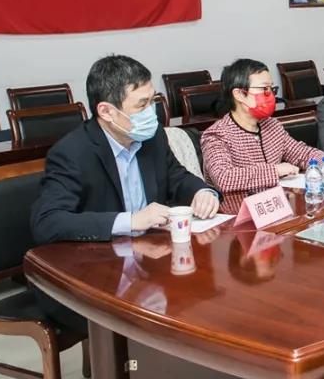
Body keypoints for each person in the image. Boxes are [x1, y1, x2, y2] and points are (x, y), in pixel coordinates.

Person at [31, 54, 221, 331]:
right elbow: (47, 222)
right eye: (142, 105)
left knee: (201, 300)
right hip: (95, 273)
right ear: (107, 111)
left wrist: (203, 191)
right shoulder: (72, 152)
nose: (152, 113)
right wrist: (130, 221)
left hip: (150, 259)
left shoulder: (152, 137)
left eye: (153, 101)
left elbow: (176, 177)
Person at [201, 58, 324, 194]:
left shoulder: (271, 125)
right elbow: (224, 178)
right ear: (239, 95)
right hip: (239, 207)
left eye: (271, 89)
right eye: (264, 89)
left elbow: (301, 153)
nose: (271, 95)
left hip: (275, 203)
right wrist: (275, 171)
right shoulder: (217, 135)